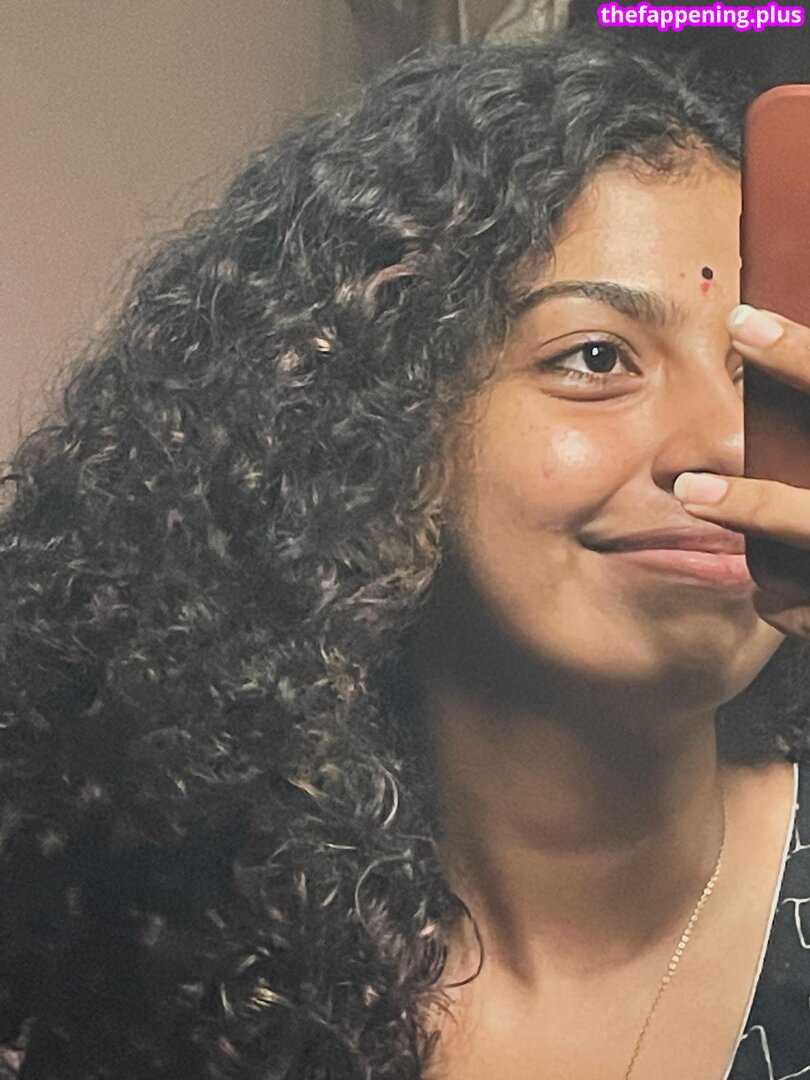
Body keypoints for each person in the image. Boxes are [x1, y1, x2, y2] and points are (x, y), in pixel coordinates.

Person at [1, 24, 810, 1080]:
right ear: (364, 422)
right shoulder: (177, 958)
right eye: (596, 357)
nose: (724, 443)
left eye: (759, 377)